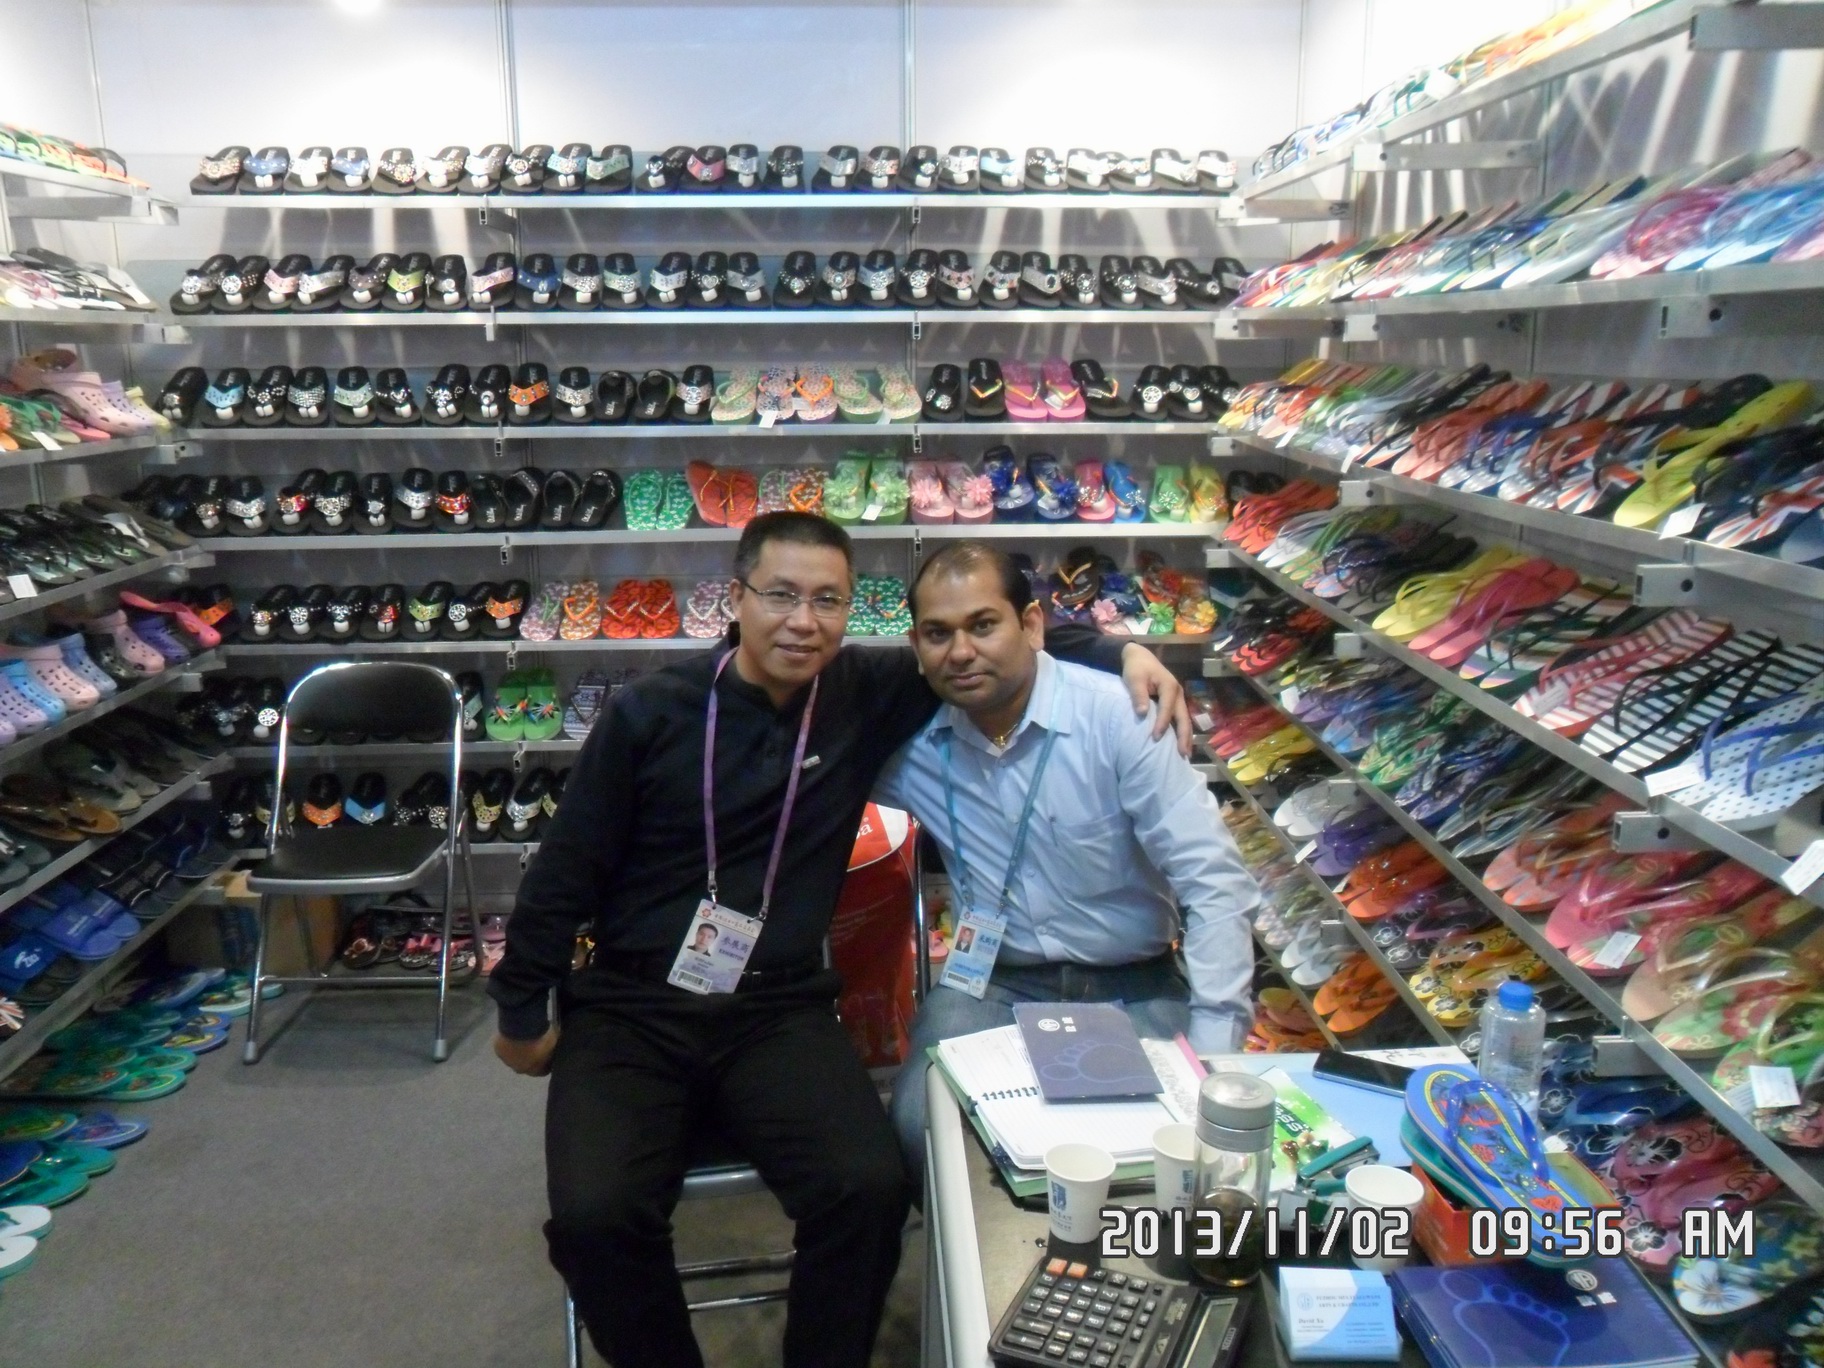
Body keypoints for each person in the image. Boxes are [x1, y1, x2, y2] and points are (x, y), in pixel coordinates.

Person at [487, 512, 1191, 1368]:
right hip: (631, 1005)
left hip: (775, 1007)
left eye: (828, 600)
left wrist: (1119, 651)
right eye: (780, 595)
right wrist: (520, 1008)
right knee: (596, 1218)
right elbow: (565, 870)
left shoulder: (860, 693)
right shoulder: (651, 713)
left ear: (853, 610)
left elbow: (989, 636)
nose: (803, 621)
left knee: (869, 1188)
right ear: (737, 598)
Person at [877, 541, 1261, 1181]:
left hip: (1136, 986)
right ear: (917, 645)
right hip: (989, 985)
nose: (961, 651)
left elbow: (1214, 883)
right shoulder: (909, 744)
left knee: (1164, 1154)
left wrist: (1218, 1054)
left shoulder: (1120, 718)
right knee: (926, 1127)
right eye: (938, 634)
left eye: (983, 625)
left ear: (1031, 625)